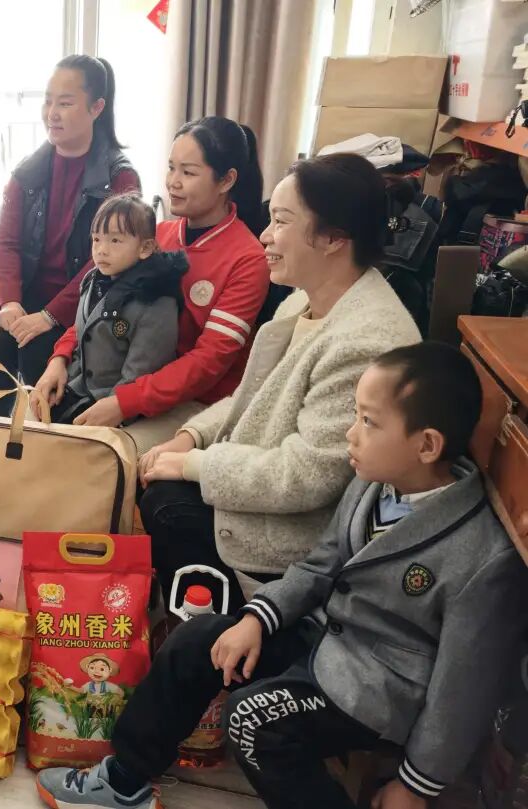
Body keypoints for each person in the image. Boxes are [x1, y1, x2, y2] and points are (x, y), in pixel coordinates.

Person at [36, 342, 528, 809]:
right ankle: (125, 781)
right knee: (201, 639)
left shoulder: (482, 557)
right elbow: (322, 564)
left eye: (368, 421)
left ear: (427, 445)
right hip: (322, 640)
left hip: (376, 693)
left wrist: (416, 783)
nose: (351, 434)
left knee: (253, 723)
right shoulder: (376, 482)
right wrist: (257, 619)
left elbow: (462, 690)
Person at [139, 153, 420, 611]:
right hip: (258, 474)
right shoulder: (303, 300)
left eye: (281, 221)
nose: (265, 236)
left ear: (333, 238)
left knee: (165, 502)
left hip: (299, 535)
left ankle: (230, 622)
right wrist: (192, 435)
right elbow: (251, 396)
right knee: (156, 475)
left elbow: (307, 475)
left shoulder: (365, 342)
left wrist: (194, 464)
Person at [48, 117, 269, 449]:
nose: (173, 182)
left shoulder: (247, 259)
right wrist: (60, 359)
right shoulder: (156, 236)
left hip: (196, 403)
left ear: (226, 180)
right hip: (122, 380)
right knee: (41, 427)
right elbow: (96, 305)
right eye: (171, 168)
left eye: (188, 173)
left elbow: (208, 362)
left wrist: (126, 401)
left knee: (102, 452)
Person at [0, 56, 140, 416]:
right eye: (48, 101)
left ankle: (46, 441)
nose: (52, 113)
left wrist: (50, 316)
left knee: (38, 353)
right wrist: (9, 302)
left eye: (65, 103)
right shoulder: (28, 173)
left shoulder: (120, 179)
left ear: (97, 107)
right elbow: (5, 243)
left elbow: (107, 262)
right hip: (27, 296)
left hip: (86, 302)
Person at [34, 194, 186, 424]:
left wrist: (110, 410)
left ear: (145, 248)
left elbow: (140, 372)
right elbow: (81, 336)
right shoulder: (93, 280)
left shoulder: (156, 300)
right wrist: (61, 377)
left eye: (115, 241)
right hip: (80, 390)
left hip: (116, 404)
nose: (101, 250)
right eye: (96, 239)